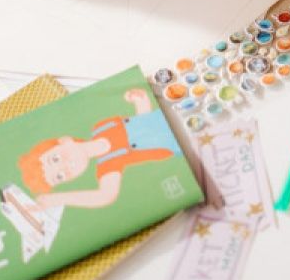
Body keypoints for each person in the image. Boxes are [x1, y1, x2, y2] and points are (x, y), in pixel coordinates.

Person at [18, 87, 179, 210]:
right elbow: (104, 196)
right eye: (59, 177)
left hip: (169, 111)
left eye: (55, 159)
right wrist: (59, 199)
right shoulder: (107, 166)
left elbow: (142, 120)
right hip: (176, 141)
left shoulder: (102, 127)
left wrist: (140, 99)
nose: (65, 167)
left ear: (65, 141)